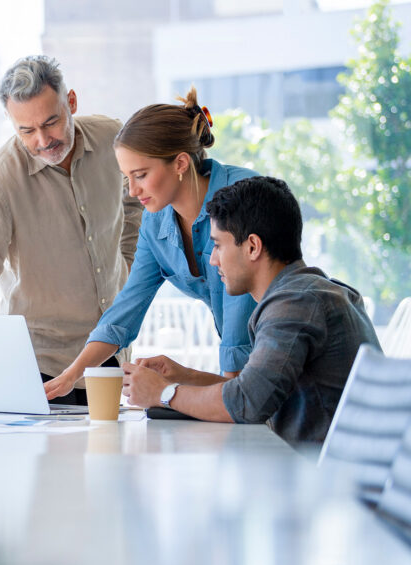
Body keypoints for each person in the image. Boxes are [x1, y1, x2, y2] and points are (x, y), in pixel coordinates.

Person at [0, 55, 143, 404]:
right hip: (40, 369)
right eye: (26, 130)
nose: (42, 140)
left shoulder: (113, 137)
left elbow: (134, 201)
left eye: (51, 122)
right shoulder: (1, 180)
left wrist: (125, 262)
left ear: (72, 103)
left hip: (109, 357)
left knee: (112, 457)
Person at [122, 176, 380, 445]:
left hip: (324, 479)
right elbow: (255, 390)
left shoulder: (295, 303)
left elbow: (247, 403)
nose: (212, 260)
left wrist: (164, 393)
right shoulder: (308, 292)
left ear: (253, 246)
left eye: (218, 245)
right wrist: (184, 377)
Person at [44, 88, 259, 401]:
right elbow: (125, 310)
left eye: (141, 175)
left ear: (181, 163)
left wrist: (220, 398)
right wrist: (70, 376)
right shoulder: (156, 223)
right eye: (127, 177)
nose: (132, 191)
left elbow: (239, 320)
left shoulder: (241, 196)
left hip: (284, 356)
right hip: (249, 375)